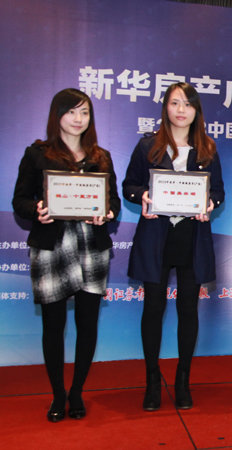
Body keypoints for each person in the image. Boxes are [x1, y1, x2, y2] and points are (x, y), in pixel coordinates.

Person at [12, 88, 120, 422]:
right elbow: (19, 201)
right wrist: (38, 209)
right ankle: (58, 394)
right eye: (71, 111)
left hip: (90, 247)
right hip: (52, 246)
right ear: (57, 115)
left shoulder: (101, 156)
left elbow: (114, 202)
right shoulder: (38, 154)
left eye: (84, 112)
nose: (78, 119)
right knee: (53, 325)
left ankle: (77, 392)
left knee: (87, 324)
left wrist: (107, 213)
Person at [122, 82, 224, 411]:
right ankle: (152, 380)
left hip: (192, 239)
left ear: (197, 111)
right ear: (165, 107)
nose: (181, 110)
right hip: (156, 238)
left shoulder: (207, 148)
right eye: (175, 103)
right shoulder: (148, 146)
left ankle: (183, 380)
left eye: (188, 104)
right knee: (153, 309)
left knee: (188, 310)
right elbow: (128, 186)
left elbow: (218, 190)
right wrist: (143, 196)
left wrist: (210, 203)